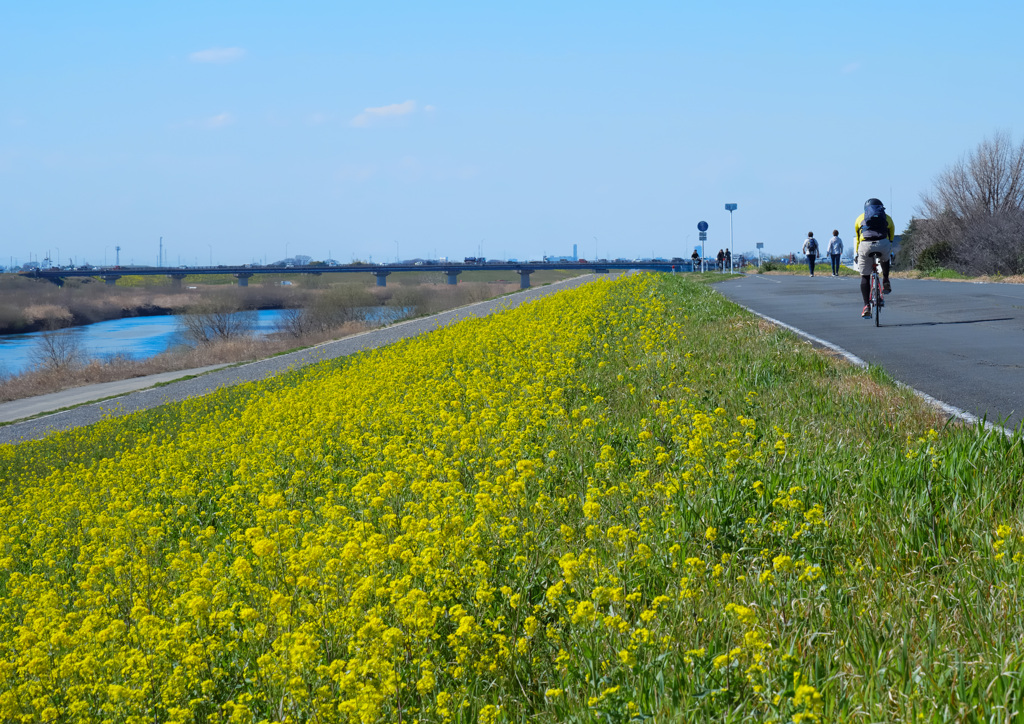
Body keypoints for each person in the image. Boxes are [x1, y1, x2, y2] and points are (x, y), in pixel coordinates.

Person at [855, 198, 896, 317]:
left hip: (865, 245)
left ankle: (866, 306)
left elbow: (858, 238)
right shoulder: (887, 217)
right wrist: (889, 244)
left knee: (865, 276)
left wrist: (858, 253)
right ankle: (886, 280)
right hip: (883, 243)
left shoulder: (859, 218)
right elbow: (891, 234)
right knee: (885, 258)